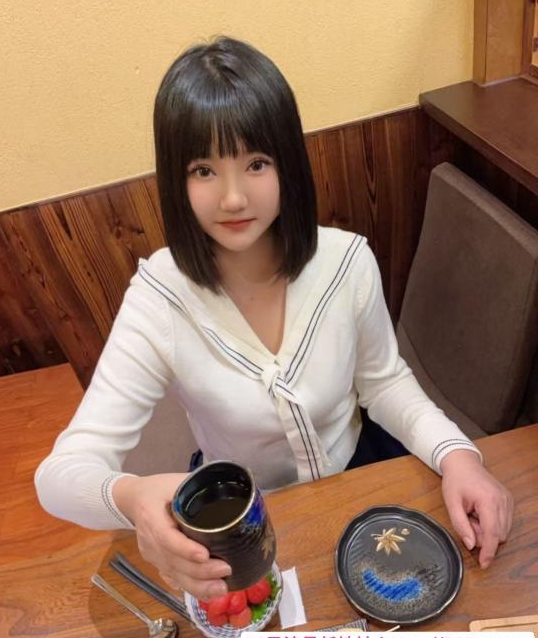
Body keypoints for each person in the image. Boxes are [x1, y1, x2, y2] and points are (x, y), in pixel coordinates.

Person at [35, 36, 513, 601]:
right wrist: (132, 497)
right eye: (204, 170)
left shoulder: (346, 262)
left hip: (365, 476)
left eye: (256, 164)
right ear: (176, 181)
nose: (234, 198)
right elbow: (60, 476)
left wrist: (457, 456)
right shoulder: (159, 297)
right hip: (238, 518)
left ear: (287, 164)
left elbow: (384, 383)